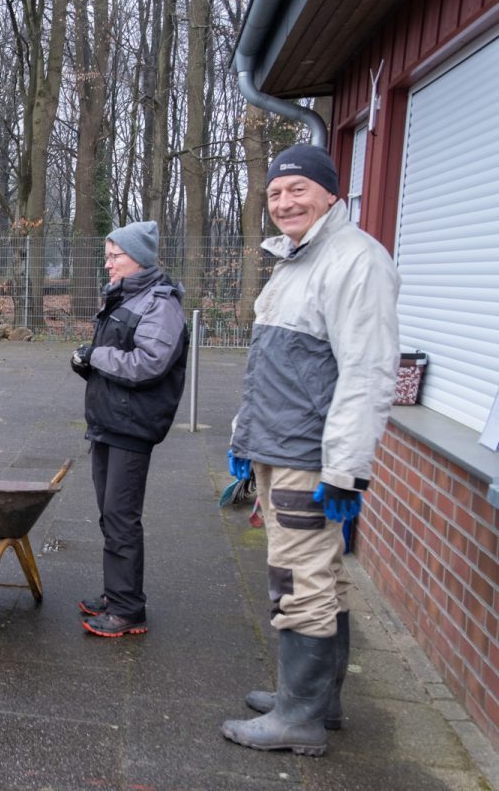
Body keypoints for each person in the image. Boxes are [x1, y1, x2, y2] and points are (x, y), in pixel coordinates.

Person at [221, 143, 399, 756]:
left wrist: (346, 469)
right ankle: (318, 700)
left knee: (299, 579)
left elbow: (367, 373)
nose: (284, 201)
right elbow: (273, 366)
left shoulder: (356, 261)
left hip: (308, 456)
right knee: (321, 576)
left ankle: (299, 718)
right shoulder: (296, 260)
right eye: (274, 192)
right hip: (278, 447)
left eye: (297, 188)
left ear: (330, 194)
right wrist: (244, 437)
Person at [70, 221, 188, 638]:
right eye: (107, 256)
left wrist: (96, 356)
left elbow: (149, 364)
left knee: (121, 517)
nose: (108, 264)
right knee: (110, 514)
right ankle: (117, 593)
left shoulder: (160, 304)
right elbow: (118, 358)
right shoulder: (125, 297)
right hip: (110, 420)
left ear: (138, 258)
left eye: (114, 256)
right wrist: (88, 364)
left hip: (132, 426)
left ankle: (127, 609)